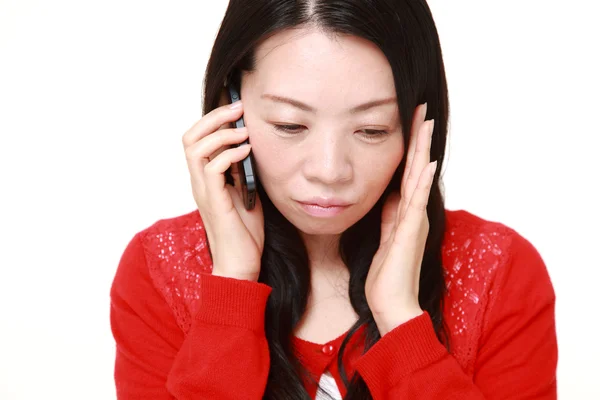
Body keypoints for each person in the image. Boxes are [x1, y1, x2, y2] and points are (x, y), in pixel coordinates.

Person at [109, 1, 558, 399]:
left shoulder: (498, 269)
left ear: (419, 122)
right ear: (231, 104)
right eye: (290, 125)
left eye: (372, 130)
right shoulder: (159, 271)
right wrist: (231, 288)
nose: (329, 170)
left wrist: (402, 321)